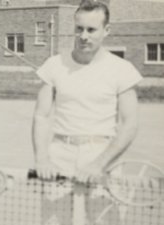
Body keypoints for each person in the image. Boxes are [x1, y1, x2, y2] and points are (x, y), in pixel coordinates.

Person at [32, 0, 142, 185]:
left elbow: (129, 123)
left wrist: (99, 164)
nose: (83, 36)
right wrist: (42, 159)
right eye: (79, 29)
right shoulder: (54, 65)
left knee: (103, 215)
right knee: (54, 215)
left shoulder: (122, 69)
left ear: (106, 30)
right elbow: (41, 117)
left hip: (102, 154)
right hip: (60, 153)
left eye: (91, 30)